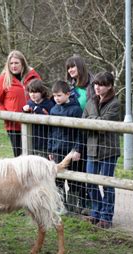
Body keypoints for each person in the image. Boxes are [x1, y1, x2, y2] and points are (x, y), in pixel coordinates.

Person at [82, 72, 121, 229]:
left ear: (110, 86)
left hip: (108, 149)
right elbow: (82, 122)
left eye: (102, 84)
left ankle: (106, 216)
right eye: (96, 84)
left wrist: (91, 122)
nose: (97, 87)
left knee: (107, 183)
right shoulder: (90, 102)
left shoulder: (115, 103)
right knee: (90, 182)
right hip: (91, 148)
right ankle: (96, 212)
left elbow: (104, 125)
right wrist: (93, 123)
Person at [0, 50, 41, 157]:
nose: (13, 66)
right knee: (20, 157)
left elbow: (42, 93)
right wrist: (8, 115)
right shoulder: (3, 79)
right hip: (14, 126)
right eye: (11, 63)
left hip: (34, 123)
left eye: (16, 63)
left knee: (36, 156)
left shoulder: (32, 77)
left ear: (22, 63)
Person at [47, 80, 83, 213]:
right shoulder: (53, 110)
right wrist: (50, 149)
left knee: (74, 180)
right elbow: (50, 131)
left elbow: (80, 132)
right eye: (55, 96)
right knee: (57, 181)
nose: (57, 98)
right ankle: (61, 207)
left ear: (68, 94)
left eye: (59, 95)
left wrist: (78, 149)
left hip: (71, 151)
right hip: (57, 150)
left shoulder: (76, 110)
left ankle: (73, 208)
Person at [65, 55, 94, 210]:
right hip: (71, 132)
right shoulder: (69, 87)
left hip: (87, 132)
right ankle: (74, 202)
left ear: (80, 67)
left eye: (73, 67)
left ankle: (86, 202)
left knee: (85, 167)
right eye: (68, 68)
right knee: (73, 166)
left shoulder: (92, 86)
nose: (70, 70)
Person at [22, 79, 54, 157]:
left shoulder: (49, 104)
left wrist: (39, 111)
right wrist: (24, 110)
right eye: (30, 92)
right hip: (31, 139)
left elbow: (50, 118)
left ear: (42, 92)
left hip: (44, 140)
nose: (33, 94)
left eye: (36, 92)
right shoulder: (30, 102)